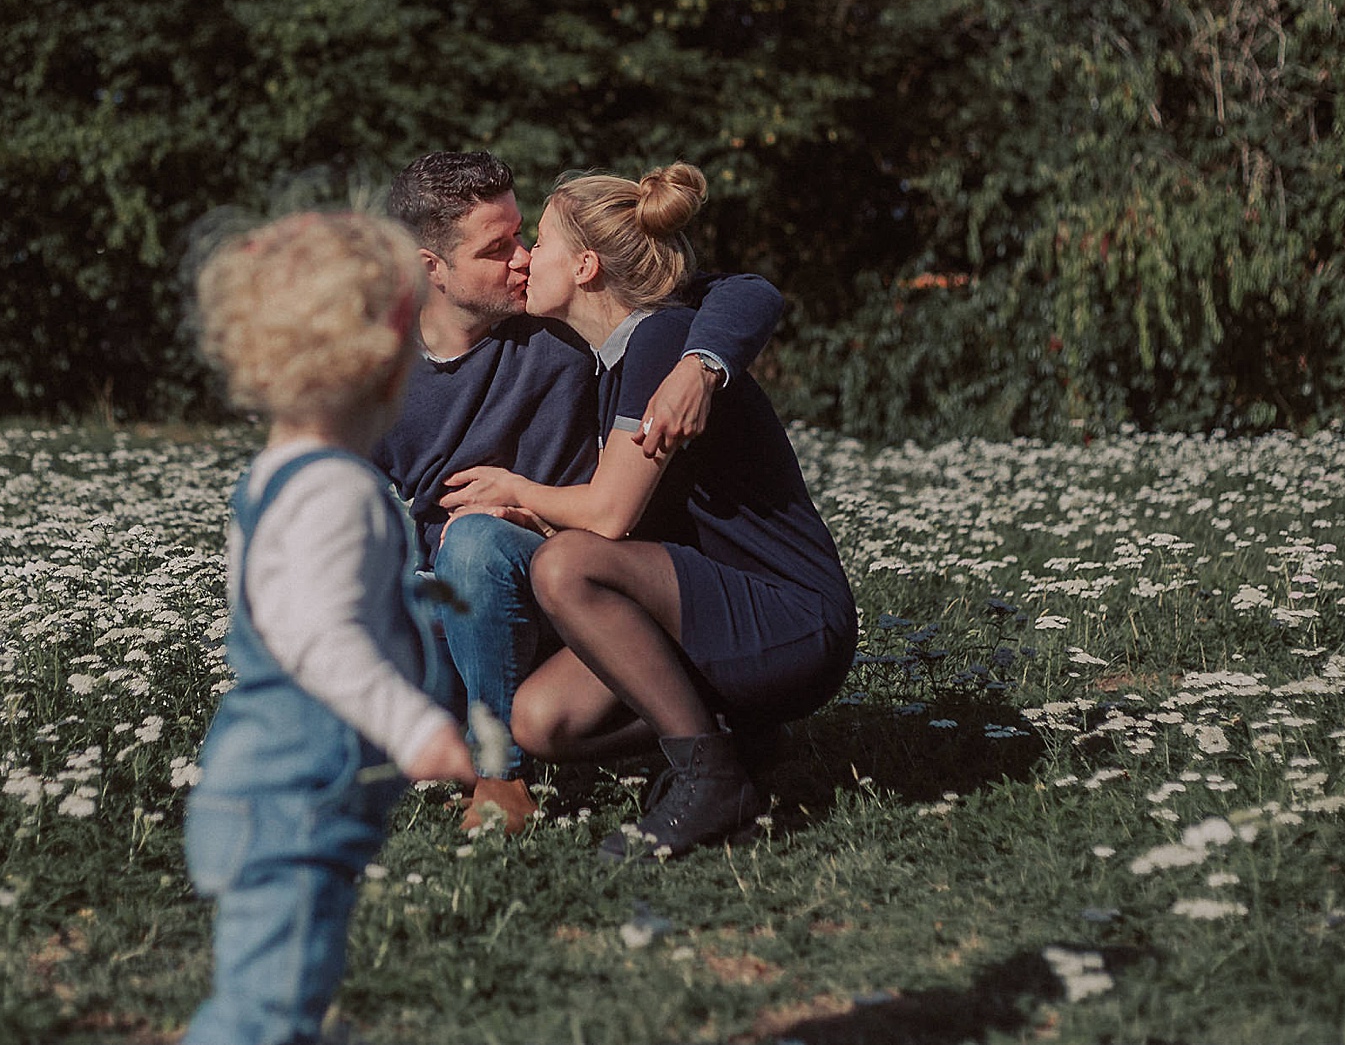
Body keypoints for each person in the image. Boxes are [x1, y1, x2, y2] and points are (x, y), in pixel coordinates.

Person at [440, 163, 856, 861]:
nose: (525, 258)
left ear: (586, 264)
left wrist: (515, 490)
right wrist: (534, 516)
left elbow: (607, 518)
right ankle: (734, 741)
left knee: (566, 564)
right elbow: (633, 523)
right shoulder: (619, 359)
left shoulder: (663, 340)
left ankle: (709, 777)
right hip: (711, 607)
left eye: (539, 242)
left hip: (789, 618)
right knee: (540, 720)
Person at [373, 152, 783, 835]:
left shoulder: (560, 324)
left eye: (524, 236)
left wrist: (701, 363)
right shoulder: (378, 378)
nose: (526, 258)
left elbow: (744, 291)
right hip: (460, 606)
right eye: (498, 247)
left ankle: (499, 778)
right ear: (429, 269)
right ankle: (716, 728)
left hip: (575, 584)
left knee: (474, 542)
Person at [182, 211, 476, 1044]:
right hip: (295, 797)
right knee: (263, 1016)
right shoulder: (339, 492)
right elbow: (315, 635)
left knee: (285, 996)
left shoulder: (277, 475)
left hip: (276, 787)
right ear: (389, 368)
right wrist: (415, 726)